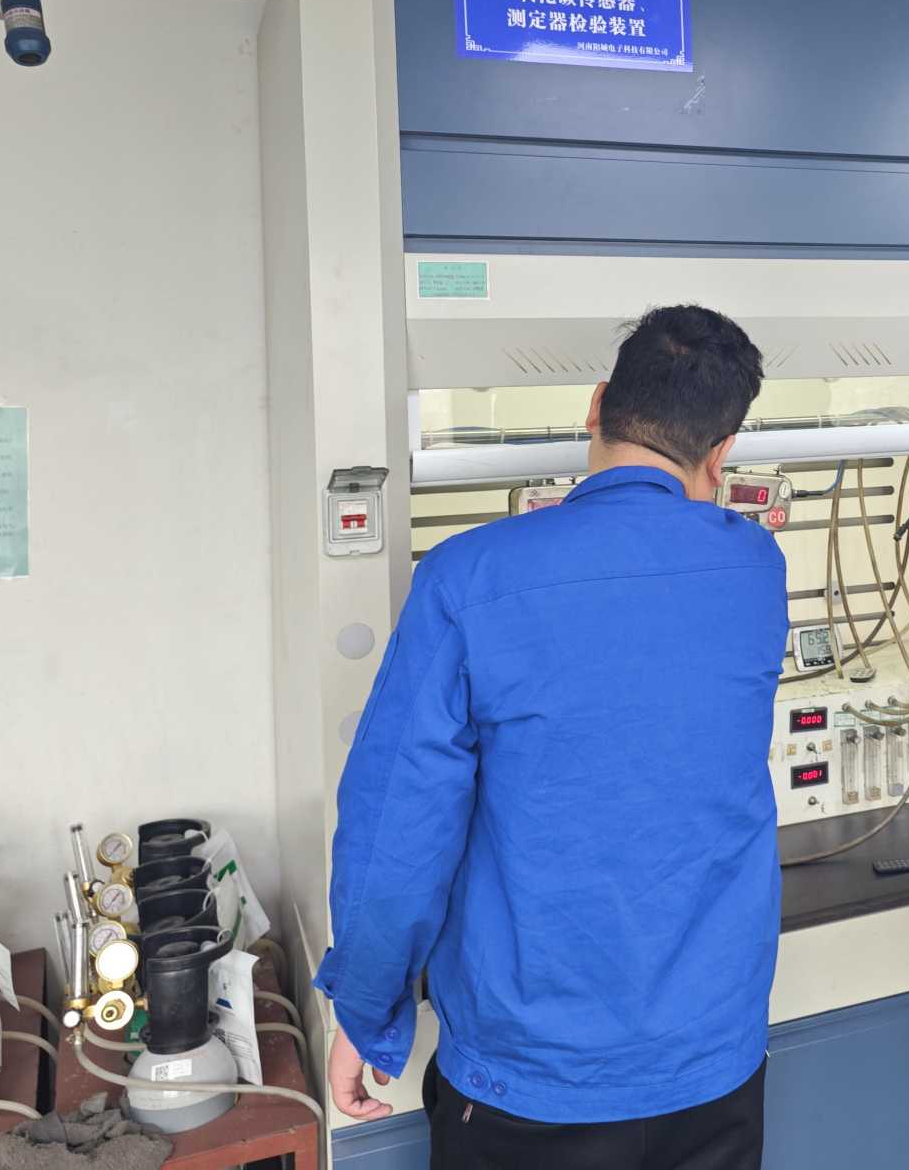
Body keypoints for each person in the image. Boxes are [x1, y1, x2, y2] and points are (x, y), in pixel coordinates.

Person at [316, 304, 787, 1170]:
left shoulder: (468, 578)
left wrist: (365, 1009)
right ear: (722, 453)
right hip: (713, 1065)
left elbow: (397, 828)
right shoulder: (756, 567)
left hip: (531, 1082)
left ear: (597, 403)